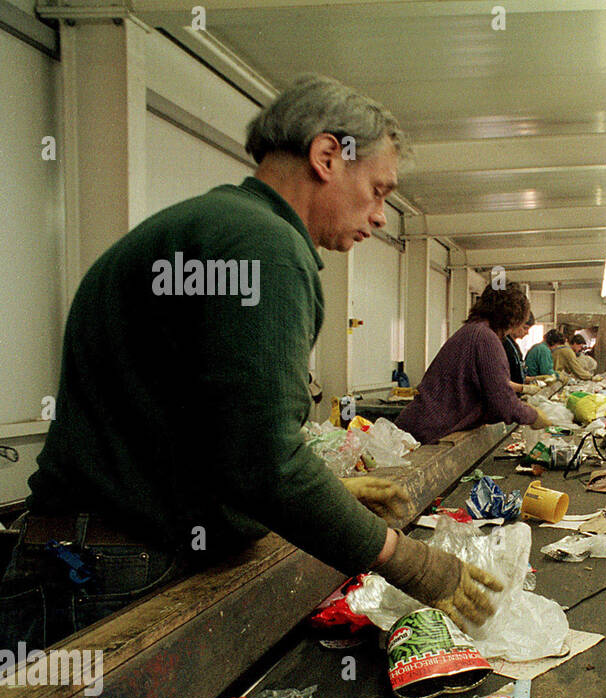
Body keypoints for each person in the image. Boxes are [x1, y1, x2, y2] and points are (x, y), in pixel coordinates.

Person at [2, 74, 500, 652]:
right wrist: (410, 561)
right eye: (379, 190)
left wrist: (328, 491)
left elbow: (216, 437)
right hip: (108, 571)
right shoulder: (264, 247)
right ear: (327, 156)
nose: (383, 216)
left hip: (83, 554)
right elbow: (265, 463)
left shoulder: (208, 226)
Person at [397, 282, 547, 443]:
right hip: (425, 433)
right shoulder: (486, 338)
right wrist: (533, 416)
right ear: (514, 316)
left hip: (420, 427)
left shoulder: (473, 330)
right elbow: (502, 402)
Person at [501, 309, 531, 389]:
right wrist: (522, 388)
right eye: (524, 328)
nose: (527, 332)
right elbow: (500, 380)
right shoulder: (503, 343)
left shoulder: (512, 344)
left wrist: (534, 379)